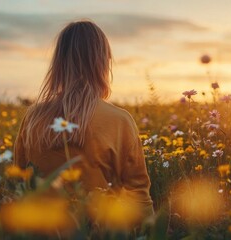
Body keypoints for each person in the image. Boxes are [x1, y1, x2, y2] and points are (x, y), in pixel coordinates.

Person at [13, 20, 154, 216]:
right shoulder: (119, 121)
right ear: (104, 62)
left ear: (59, 63)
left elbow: (18, 183)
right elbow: (138, 195)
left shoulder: (33, 118)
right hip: (99, 229)